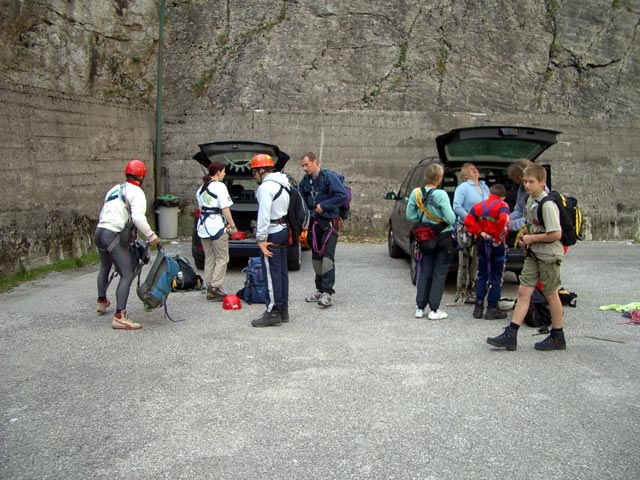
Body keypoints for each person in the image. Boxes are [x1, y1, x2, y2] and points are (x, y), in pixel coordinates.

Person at [486, 163, 566, 351]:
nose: (527, 186)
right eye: (525, 182)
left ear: (541, 182)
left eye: (531, 182)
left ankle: (558, 335)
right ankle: (511, 334)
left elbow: (556, 234)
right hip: (533, 253)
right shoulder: (530, 201)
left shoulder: (547, 204)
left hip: (548, 255)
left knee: (551, 294)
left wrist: (532, 237)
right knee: (523, 292)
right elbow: (529, 223)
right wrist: (524, 237)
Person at [94, 159, 160, 330]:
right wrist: (151, 236)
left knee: (105, 267)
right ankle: (119, 316)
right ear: (142, 176)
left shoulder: (114, 189)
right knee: (127, 273)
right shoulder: (137, 192)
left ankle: (102, 301)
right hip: (112, 234)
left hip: (100, 231)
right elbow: (138, 218)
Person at [406, 162, 456, 320]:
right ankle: (434, 309)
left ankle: (420, 308)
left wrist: (424, 219)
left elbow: (411, 216)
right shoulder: (441, 195)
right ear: (439, 178)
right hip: (442, 237)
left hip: (425, 238)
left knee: (425, 270)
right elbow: (450, 218)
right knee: (439, 273)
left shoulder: (416, 193)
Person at [298, 152, 348, 308]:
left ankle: (327, 292)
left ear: (315, 161)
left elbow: (342, 196)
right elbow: (300, 199)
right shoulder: (305, 181)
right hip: (314, 224)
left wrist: (324, 206)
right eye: (302, 166)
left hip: (330, 224)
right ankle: (319, 289)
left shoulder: (329, 177)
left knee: (327, 258)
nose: (304, 168)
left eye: (307, 164)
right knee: (316, 258)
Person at [249, 154, 291, 327]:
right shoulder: (284, 184)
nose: (253, 176)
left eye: (254, 172)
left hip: (272, 233)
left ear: (261, 170)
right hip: (283, 229)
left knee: (271, 273)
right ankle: (283, 310)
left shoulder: (266, 188)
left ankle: (273, 311)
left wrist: (260, 238)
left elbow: (263, 215)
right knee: (281, 272)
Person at [464, 184, 511, 320]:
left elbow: (468, 220)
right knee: (497, 276)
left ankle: (478, 307)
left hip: (482, 242)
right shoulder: (503, 206)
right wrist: (498, 238)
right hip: (496, 244)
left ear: (490, 193)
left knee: (482, 274)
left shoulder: (479, 206)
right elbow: (504, 220)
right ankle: (492, 308)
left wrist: (480, 232)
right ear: (503, 196)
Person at [196, 161, 237, 301]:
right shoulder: (220, 186)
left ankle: (209, 287)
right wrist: (232, 226)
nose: (225, 173)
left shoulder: (201, 188)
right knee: (223, 257)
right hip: (216, 226)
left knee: (210, 258)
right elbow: (225, 208)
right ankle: (215, 286)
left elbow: (201, 208)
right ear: (218, 172)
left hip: (202, 226)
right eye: (224, 171)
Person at [452, 163, 490, 305]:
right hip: (466, 228)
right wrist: (470, 218)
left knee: (477, 259)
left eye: (476, 168)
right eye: (471, 169)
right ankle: (461, 291)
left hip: (482, 228)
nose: (475, 170)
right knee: (465, 259)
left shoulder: (484, 187)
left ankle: (472, 288)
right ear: (464, 174)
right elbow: (456, 206)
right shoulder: (463, 188)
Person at [507, 158, 534, 232]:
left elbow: (531, 220)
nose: (514, 181)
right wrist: (505, 220)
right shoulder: (522, 188)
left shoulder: (536, 191)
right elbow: (519, 210)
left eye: (514, 178)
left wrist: (507, 226)